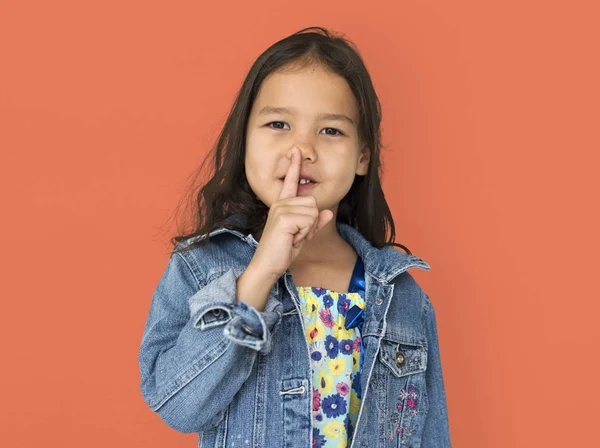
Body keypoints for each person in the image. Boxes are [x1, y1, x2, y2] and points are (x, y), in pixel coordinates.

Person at [138, 26, 452, 448]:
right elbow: (174, 403)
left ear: (363, 156)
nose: (301, 149)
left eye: (330, 131)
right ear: (244, 141)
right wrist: (260, 274)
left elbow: (431, 436)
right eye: (278, 123)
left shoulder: (403, 296)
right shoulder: (204, 266)